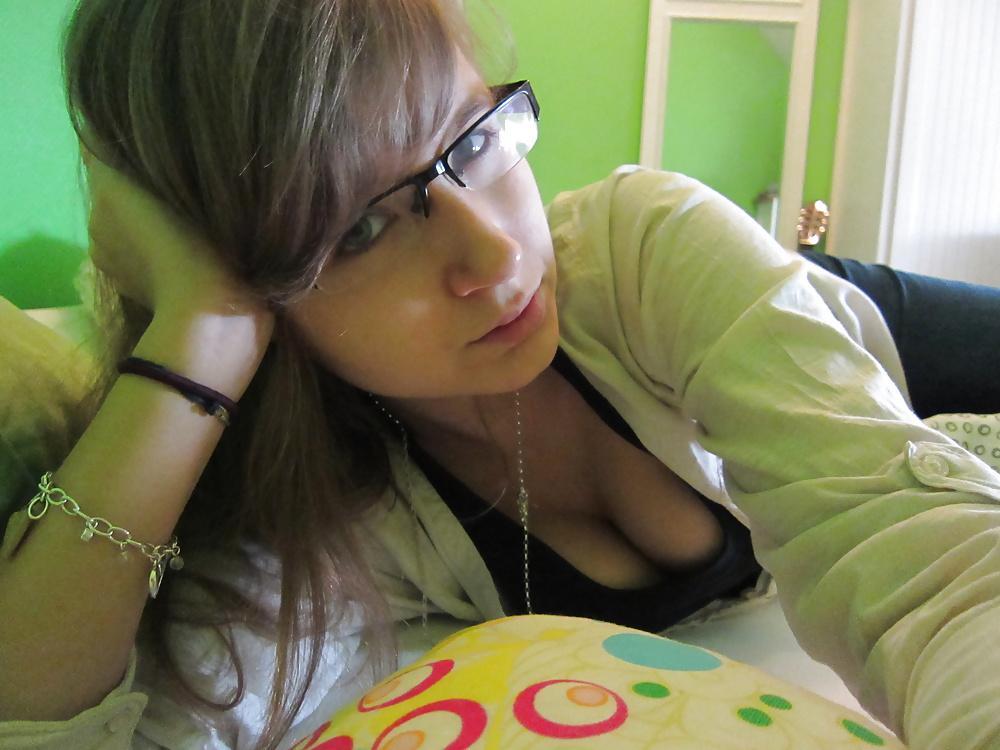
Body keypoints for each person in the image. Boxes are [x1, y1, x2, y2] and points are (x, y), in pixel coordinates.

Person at [0, 1, 998, 748]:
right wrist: (197, 340)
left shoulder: (645, 245)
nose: (494, 252)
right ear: (258, 291)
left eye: (473, 138)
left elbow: (921, 558)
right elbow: (63, 727)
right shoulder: (329, 502)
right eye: (362, 228)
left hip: (798, 315)